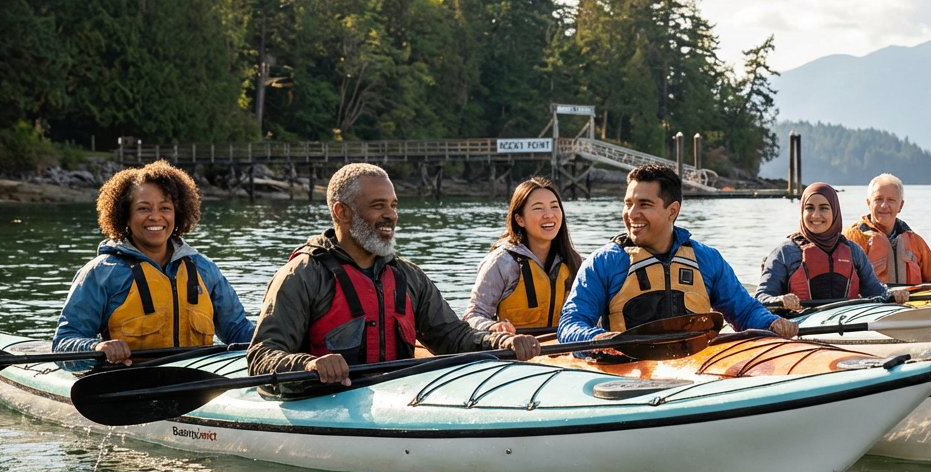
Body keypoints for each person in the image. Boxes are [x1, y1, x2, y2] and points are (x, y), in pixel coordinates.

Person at [247, 163, 540, 389]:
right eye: (378, 206)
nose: (392, 215)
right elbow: (262, 356)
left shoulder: (408, 275)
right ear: (342, 212)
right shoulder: (303, 274)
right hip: (324, 400)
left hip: (397, 399)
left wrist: (499, 343)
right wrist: (309, 365)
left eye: (393, 205)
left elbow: (453, 337)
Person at [558, 164, 798, 343]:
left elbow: (745, 311)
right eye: (628, 203)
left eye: (644, 204)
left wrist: (771, 322)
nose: (631, 214)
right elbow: (570, 324)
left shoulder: (707, 258)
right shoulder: (603, 262)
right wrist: (597, 339)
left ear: (672, 211)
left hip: (697, 368)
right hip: (628, 371)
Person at [53, 160, 255, 365]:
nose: (155, 217)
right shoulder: (101, 273)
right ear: (125, 216)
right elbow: (63, 344)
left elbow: (238, 330)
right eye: (143, 208)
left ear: (177, 213)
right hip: (128, 385)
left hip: (198, 383)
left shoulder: (204, 269)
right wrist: (97, 347)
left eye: (165, 208)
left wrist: (279, 339)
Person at [756, 182, 909, 309]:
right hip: (800, 324)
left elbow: (875, 292)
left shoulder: (853, 251)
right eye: (809, 208)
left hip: (849, 322)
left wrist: (893, 295)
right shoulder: (785, 252)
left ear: (834, 212)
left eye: (824, 208)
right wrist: (780, 300)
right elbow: (761, 297)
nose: (816, 215)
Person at [464, 177, 581, 332]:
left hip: (564, 350)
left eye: (554, 206)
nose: (549, 215)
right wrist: (492, 326)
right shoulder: (501, 262)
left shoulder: (575, 262)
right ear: (519, 219)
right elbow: (473, 315)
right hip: (514, 350)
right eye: (538, 208)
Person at [843, 174, 931, 288]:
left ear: (901, 206)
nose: (884, 205)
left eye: (891, 200)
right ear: (869, 203)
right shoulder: (850, 238)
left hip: (912, 304)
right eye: (878, 199)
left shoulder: (915, 241)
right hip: (871, 304)